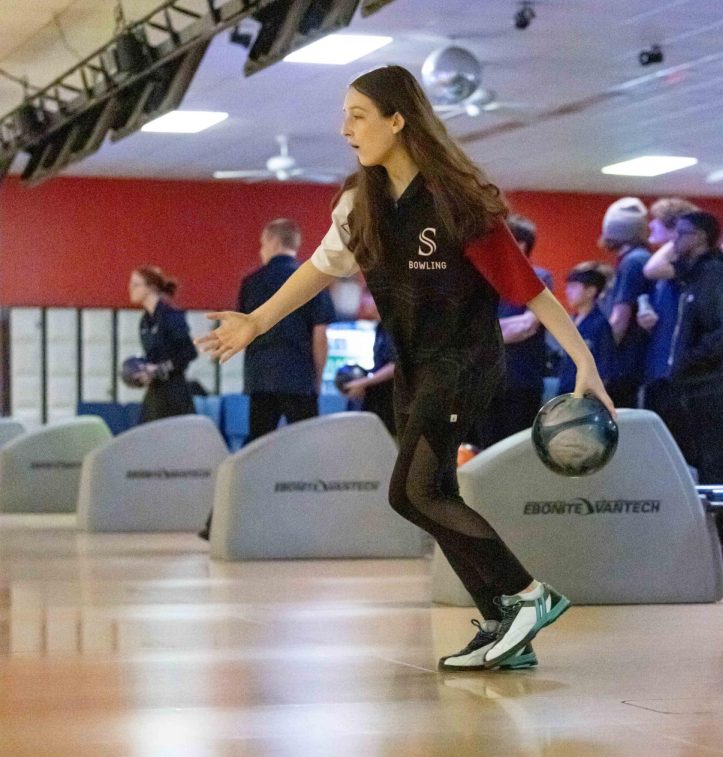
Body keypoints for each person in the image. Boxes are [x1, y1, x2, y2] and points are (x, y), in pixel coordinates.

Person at [196, 65, 614, 672]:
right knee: (432, 491)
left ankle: (526, 596)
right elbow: (319, 268)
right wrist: (256, 322)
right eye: (344, 116)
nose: (345, 129)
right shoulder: (357, 202)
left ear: (399, 120)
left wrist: (585, 362)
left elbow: (531, 292)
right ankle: (503, 622)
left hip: (465, 363)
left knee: (412, 492)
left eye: (358, 115)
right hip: (415, 367)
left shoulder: (458, 203)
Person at [240, 218, 336, 441]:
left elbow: (244, 331)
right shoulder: (314, 280)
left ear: (273, 242)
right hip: (300, 378)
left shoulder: (251, 283)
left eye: (262, 244)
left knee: (258, 447)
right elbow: (320, 336)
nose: (261, 250)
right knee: (305, 446)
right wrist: (317, 380)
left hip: (260, 378)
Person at [666, 212, 723, 484]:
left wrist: (685, 360)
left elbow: (721, 334)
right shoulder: (694, 274)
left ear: (699, 237)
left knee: (713, 461)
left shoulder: (712, 273)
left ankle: (722, 524)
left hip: (710, 384)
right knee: (699, 459)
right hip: (695, 382)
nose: (675, 240)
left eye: (681, 233)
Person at [475, 213, 554, 448]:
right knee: (486, 449)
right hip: (485, 382)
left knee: (516, 449)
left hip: (522, 381)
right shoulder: (483, 280)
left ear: (521, 245)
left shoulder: (538, 277)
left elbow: (527, 327)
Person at [639, 197, 699, 431]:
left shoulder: (686, 265)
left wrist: (678, 239)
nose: (651, 226)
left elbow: (651, 269)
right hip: (657, 364)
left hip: (675, 369)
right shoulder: (669, 269)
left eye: (658, 222)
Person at [598, 197, 654, 407]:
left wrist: (601, 358)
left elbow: (620, 317)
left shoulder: (631, 263)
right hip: (635, 360)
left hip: (625, 362)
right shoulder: (642, 257)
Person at [127, 265, 197, 423]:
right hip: (156, 391)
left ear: (150, 288)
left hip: (175, 394)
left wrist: (160, 369)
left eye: (135, 284)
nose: (130, 288)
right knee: (144, 437)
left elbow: (189, 352)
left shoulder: (171, 315)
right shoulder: (144, 322)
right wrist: (143, 371)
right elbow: (152, 358)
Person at [340, 288, 398, 434]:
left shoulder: (394, 326)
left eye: (368, 296)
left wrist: (363, 382)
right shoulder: (380, 326)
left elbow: (396, 366)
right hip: (382, 403)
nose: (363, 302)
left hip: (394, 405)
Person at [557, 263, 616, 394]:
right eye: (568, 287)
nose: (568, 292)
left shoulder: (600, 324)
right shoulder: (570, 322)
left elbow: (604, 368)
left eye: (573, 287)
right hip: (566, 392)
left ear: (590, 291)